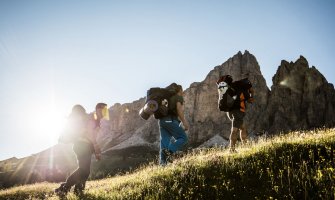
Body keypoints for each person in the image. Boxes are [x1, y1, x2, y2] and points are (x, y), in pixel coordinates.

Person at [55, 103, 108, 197]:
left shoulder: (96, 119)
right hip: (82, 145)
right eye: (104, 110)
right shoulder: (93, 118)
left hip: (84, 146)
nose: (105, 112)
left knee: (85, 171)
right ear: (98, 109)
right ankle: (64, 188)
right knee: (83, 169)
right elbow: (90, 133)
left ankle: (77, 189)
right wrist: (96, 147)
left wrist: (94, 148)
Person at [217, 75, 253, 152]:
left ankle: (246, 146)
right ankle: (231, 149)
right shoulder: (243, 90)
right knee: (234, 130)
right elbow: (251, 101)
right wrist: (251, 93)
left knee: (243, 128)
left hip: (229, 112)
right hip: (238, 111)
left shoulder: (231, 87)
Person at [159, 84, 189, 166]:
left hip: (162, 122)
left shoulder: (167, 98)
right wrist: (184, 122)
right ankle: (170, 151)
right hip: (170, 120)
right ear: (179, 90)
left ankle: (162, 165)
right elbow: (179, 109)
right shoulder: (178, 97)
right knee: (183, 137)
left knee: (164, 142)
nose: (182, 92)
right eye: (182, 91)